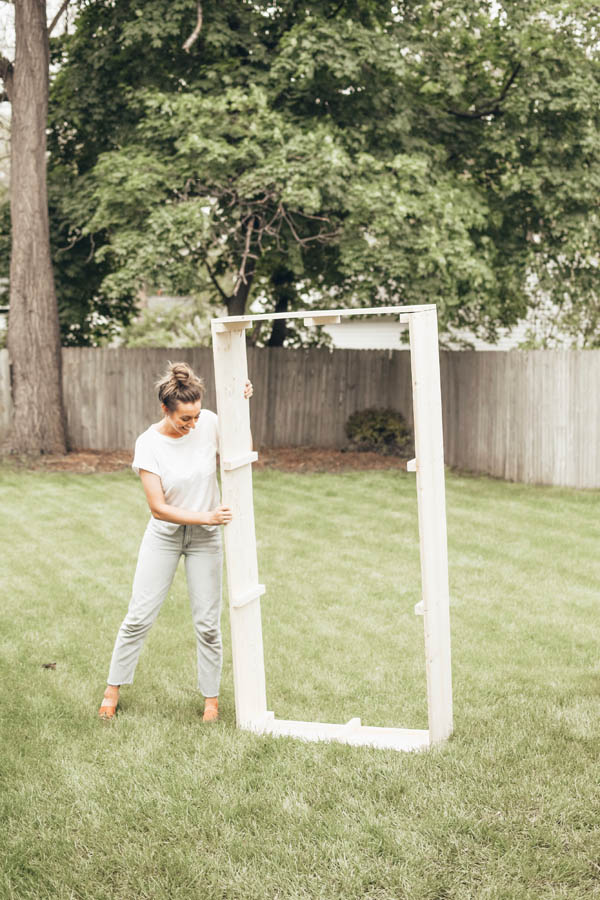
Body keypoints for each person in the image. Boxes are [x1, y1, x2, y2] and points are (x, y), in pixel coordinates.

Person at [98, 361, 253, 723]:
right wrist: (209, 516)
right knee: (139, 616)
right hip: (165, 538)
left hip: (205, 541)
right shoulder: (148, 444)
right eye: (186, 418)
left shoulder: (209, 422)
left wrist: (241, 407)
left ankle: (210, 700)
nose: (194, 424)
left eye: (197, 416)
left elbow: (242, 450)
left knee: (208, 624)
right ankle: (112, 688)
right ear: (165, 409)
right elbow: (159, 508)